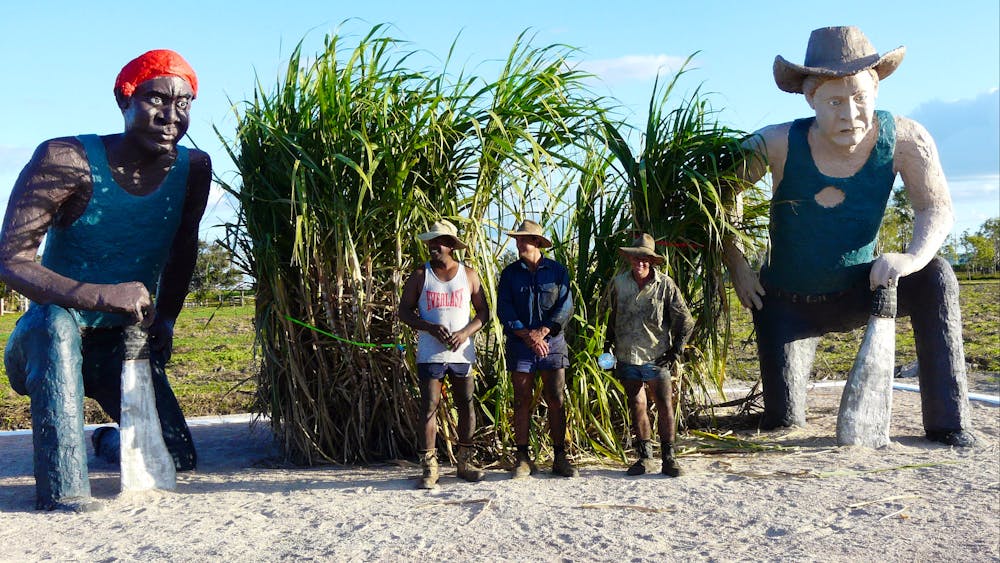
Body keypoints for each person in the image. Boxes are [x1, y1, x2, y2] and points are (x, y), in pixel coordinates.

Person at [722, 26, 974, 446]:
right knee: (784, 421)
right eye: (834, 102)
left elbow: (936, 208)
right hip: (788, 302)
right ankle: (785, 402)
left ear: (875, 90)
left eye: (859, 98)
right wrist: (739, 267)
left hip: (864, 289)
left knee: (936, 275)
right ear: (810, 99)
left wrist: (908, 259)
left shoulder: (906, 139)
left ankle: (949, 423)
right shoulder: (776, 143)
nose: (850, 114)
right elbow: (717, 199)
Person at [0, 50, 212, 511]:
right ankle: (64, 489)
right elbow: (11, 259)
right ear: (125, 99)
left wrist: (168, 317)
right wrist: (104, 295)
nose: (171, 116)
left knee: (177, 457)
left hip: (118, 342)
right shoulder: (65, 157)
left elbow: (183, 249)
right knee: (56, 323)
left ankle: (105, 443)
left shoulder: (193, 168)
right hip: (43, 341)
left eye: (185, 103)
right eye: (156, 99)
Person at [398, 220, 490, 489]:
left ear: (451, 245)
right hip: (431, 354)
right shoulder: (420, 276)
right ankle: (429, 466)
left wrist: (465, 333)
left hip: (461, 354)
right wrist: (428, 326)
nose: (433, 246)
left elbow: (484, 312)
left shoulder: (469, 275)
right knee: (429, 406)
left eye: (438, 241)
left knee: (466, 404)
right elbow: (404, 312)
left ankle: (465, 461)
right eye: (430, 241)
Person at [605, 234, 693, 476]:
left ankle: (669, 458)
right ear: (630, 259)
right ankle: (644, 458)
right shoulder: (619, 283)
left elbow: (685, 320)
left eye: (645, 259)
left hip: (656, 355)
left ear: (652, 261)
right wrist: (606, 347)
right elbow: (610, 316)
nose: (640, 263)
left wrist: (676, 350)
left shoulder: (665, 285)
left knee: (664, 404)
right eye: (636, 258)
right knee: (637, 403)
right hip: (626, 355)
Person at [497, 219, 577, 478]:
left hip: (552, 343)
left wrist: (542, 332)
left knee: (556, 398)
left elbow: (565, 307)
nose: (519, 243)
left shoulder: (557, 271)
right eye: (518, 239)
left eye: (524, 239)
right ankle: (522, 457)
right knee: (521, 399)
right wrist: (528, 335)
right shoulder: (509, 274)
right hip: (521, 344)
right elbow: (504, 309)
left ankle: (559, 457)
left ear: (537, 243)